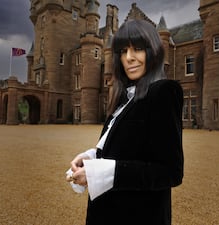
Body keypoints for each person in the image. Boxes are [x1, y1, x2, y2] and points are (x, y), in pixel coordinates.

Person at [66, 19, 184, 225]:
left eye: (138, 49)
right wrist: (91, 157)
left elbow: (170, 172)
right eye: (122, 51)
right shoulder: (124, 97)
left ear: (153, 51)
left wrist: (99, 172)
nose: (129, 58)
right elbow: (128, 147)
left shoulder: (163, 92)